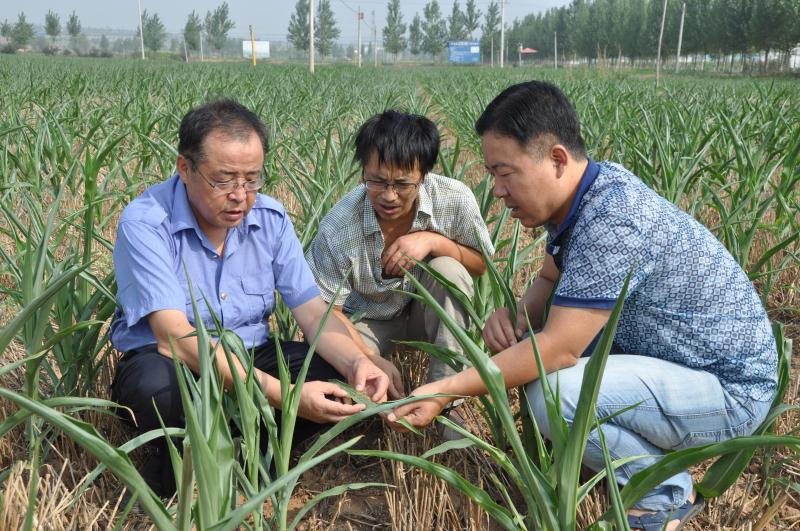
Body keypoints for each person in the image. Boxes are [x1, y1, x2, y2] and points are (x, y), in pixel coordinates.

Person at [389, 81, 777, 531]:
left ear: (556, 158)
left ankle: (662, 493)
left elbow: (559, 349)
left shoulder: (612, 219)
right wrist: (517, 317)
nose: (496, 190)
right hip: (679, 366)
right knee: (535, 364)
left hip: (728, 392)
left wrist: (445, 389)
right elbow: (552, 273)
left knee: (555, 396)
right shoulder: (588, 193)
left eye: (505, 173)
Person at [110, 100, 389, 498]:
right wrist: (287, 398)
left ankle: (252, 454)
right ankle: (173, 463)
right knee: (158, 389)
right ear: (184, 168)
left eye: (252, 180)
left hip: (250, 353)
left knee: (334, 374)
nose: (240, 195)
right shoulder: (147, 222)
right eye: (223, 180)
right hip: (177, 362)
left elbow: (312, 312)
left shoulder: (270, 219)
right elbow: (174, 336)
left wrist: (359, 361)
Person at [305, 110, 494, 408]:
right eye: (377, 182)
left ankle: (445, 399)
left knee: (449, 270)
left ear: (424, 175)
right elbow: (327, 311)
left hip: (427, 311)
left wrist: (433, 241)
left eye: (403, 184)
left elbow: (482, 266)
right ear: (362, 172)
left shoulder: (454, 199)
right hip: (365, 320)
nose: (389, 196)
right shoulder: (340, 227)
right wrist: (369, 359)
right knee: (336, 368)